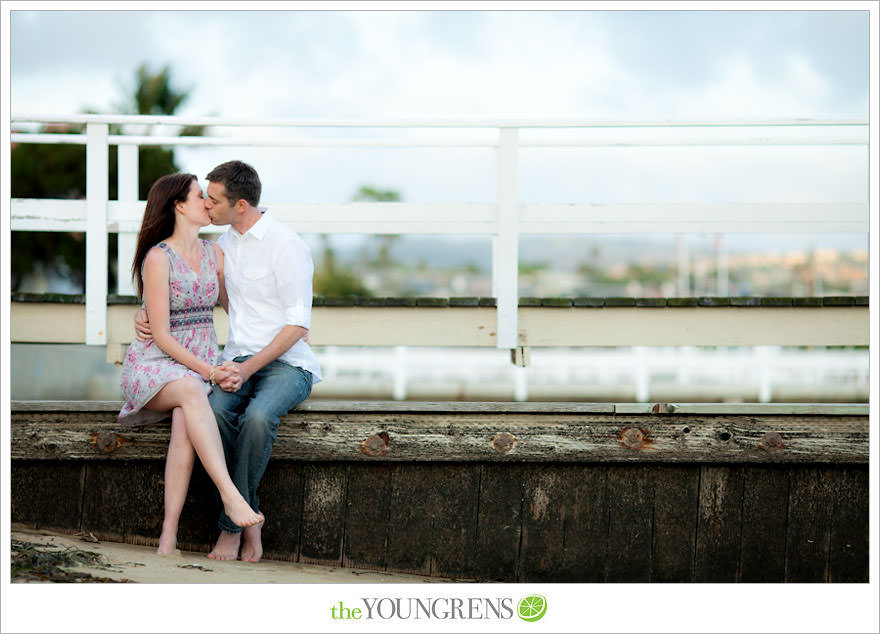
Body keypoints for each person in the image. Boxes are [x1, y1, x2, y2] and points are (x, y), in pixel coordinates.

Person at [135, 161, 322, 563]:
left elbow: (298, 326)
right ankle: (251, 517)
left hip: (287, 363)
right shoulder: (223, 246)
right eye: (201, 197)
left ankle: (232, 526)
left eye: (213, 199)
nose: (207, 204)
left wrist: (249, 368)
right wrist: (146, 311)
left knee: (257, 419)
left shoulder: (286, 245)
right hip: (233, 360)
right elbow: (199, 293)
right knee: (215, 411)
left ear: (239, 205)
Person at [118, 172, 264, 555]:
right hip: (156, 364)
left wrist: (277, 333)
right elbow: (162, 337)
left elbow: (237, 310)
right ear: (180, 206)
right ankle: (231, 496)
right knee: (190, 389)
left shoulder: (215, 253)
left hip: (199, 363)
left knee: (187, 416)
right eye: (201, 196)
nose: (208, 203)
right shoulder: (157, 258)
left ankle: (168, 536)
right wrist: (210, 372)